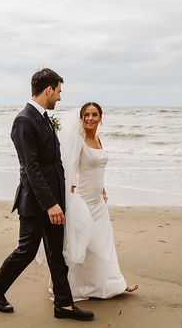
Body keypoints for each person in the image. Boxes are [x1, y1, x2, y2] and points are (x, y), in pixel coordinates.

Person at [0, 68, 94, 321]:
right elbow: (30, 168)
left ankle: (64, 305)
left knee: (57, 252)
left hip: (55, 200)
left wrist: (61, 198)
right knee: (26, 251)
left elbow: (53, 163)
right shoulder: (24, 121)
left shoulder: (44, 118)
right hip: (36, 203)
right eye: (58, 91)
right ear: (48, 90)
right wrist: (50, 204)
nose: (59, 97)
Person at [58, 102, 138, 301]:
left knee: (105, 245)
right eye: (86, 114)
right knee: (87, 246)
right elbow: (69, 170)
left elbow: (96, 169)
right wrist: (70, 196)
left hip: (98, 201)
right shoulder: (79, 140)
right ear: (81, 117)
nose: (90, 118)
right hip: (83, 201)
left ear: (101, 118)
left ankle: (114, 284)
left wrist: (102, 189)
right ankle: (75, 287)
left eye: (94, 115)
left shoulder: (98, 139)